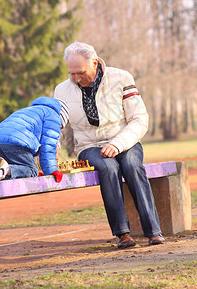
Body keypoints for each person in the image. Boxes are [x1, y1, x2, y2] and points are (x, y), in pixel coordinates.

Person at [54, 41, 165, 248]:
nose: (76, 78)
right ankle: (122, 234)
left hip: (125, 140)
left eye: (80, 72)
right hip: (88, 146)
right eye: (72, 74)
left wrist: (117, 143)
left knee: (132, 166)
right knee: (108, 167)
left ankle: (154, 231)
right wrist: (50, 153)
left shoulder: (121, 78)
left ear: (94, 63)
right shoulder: (62, 90)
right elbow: (56, 127)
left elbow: (139, 119)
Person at [0, 96, 69, 184]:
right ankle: (5, 168)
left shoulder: (31, 110)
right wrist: (51, 170)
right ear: (62, 118)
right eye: (60, 127)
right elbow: (48, 146)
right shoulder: (54, 116)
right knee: (32, 170)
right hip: (16, 139)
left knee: (14, 172)